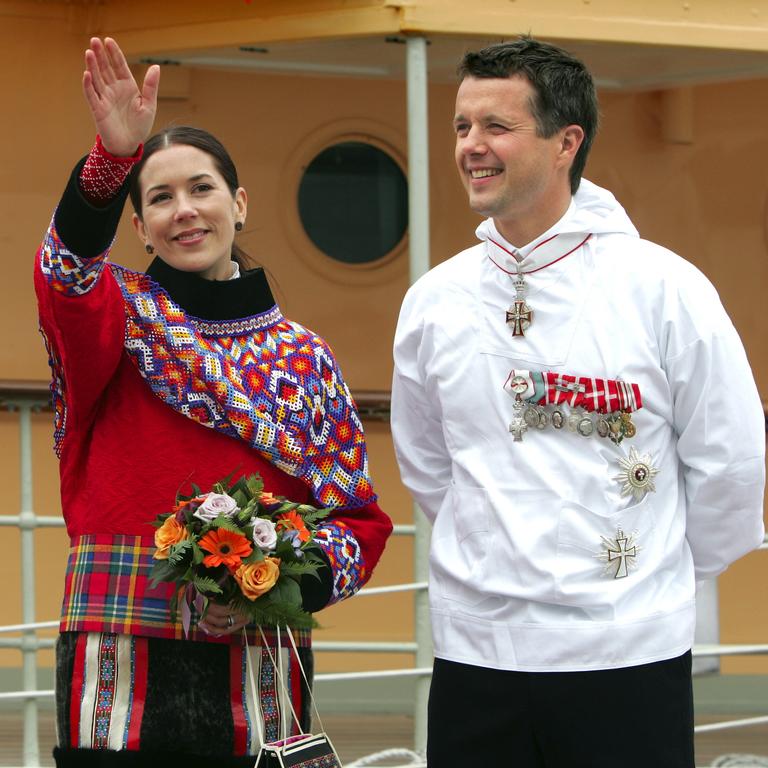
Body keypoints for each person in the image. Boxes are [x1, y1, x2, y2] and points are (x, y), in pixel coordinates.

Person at [391, 36, 765, 768]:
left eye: (497, 127)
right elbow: (431, 464)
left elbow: (731, 462)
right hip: (478, 655)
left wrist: (650, 580)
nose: (472, 147)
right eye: (463, 126)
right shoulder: (435, 301)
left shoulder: (664, 289)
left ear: (567, 142)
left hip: (629, 655)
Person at [36, 37, 392, 767]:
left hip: (257, 664)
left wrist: (282, 580)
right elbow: (64, 275)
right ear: (138, 227)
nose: (184, 211)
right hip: (119, 661)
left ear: (239, 201)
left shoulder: (305, 357)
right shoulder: (115, 318)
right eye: (159, 198)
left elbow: (359, 521)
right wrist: (110, 163)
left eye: (201, 188)